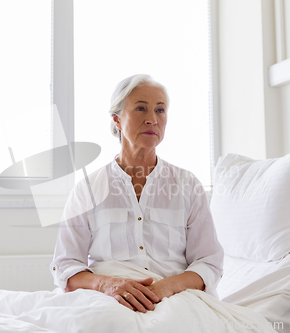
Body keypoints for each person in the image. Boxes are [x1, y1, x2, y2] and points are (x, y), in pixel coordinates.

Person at [50, 74, 223, 314]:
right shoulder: (87, 190)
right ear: (117, 120)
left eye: (160, 111)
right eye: (141, 108)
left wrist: (165, 288)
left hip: (176, 300)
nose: (152, 119)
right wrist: (107, 285)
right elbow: (66, 266)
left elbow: (209, 262)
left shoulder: (188, 185)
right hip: (105, 300)